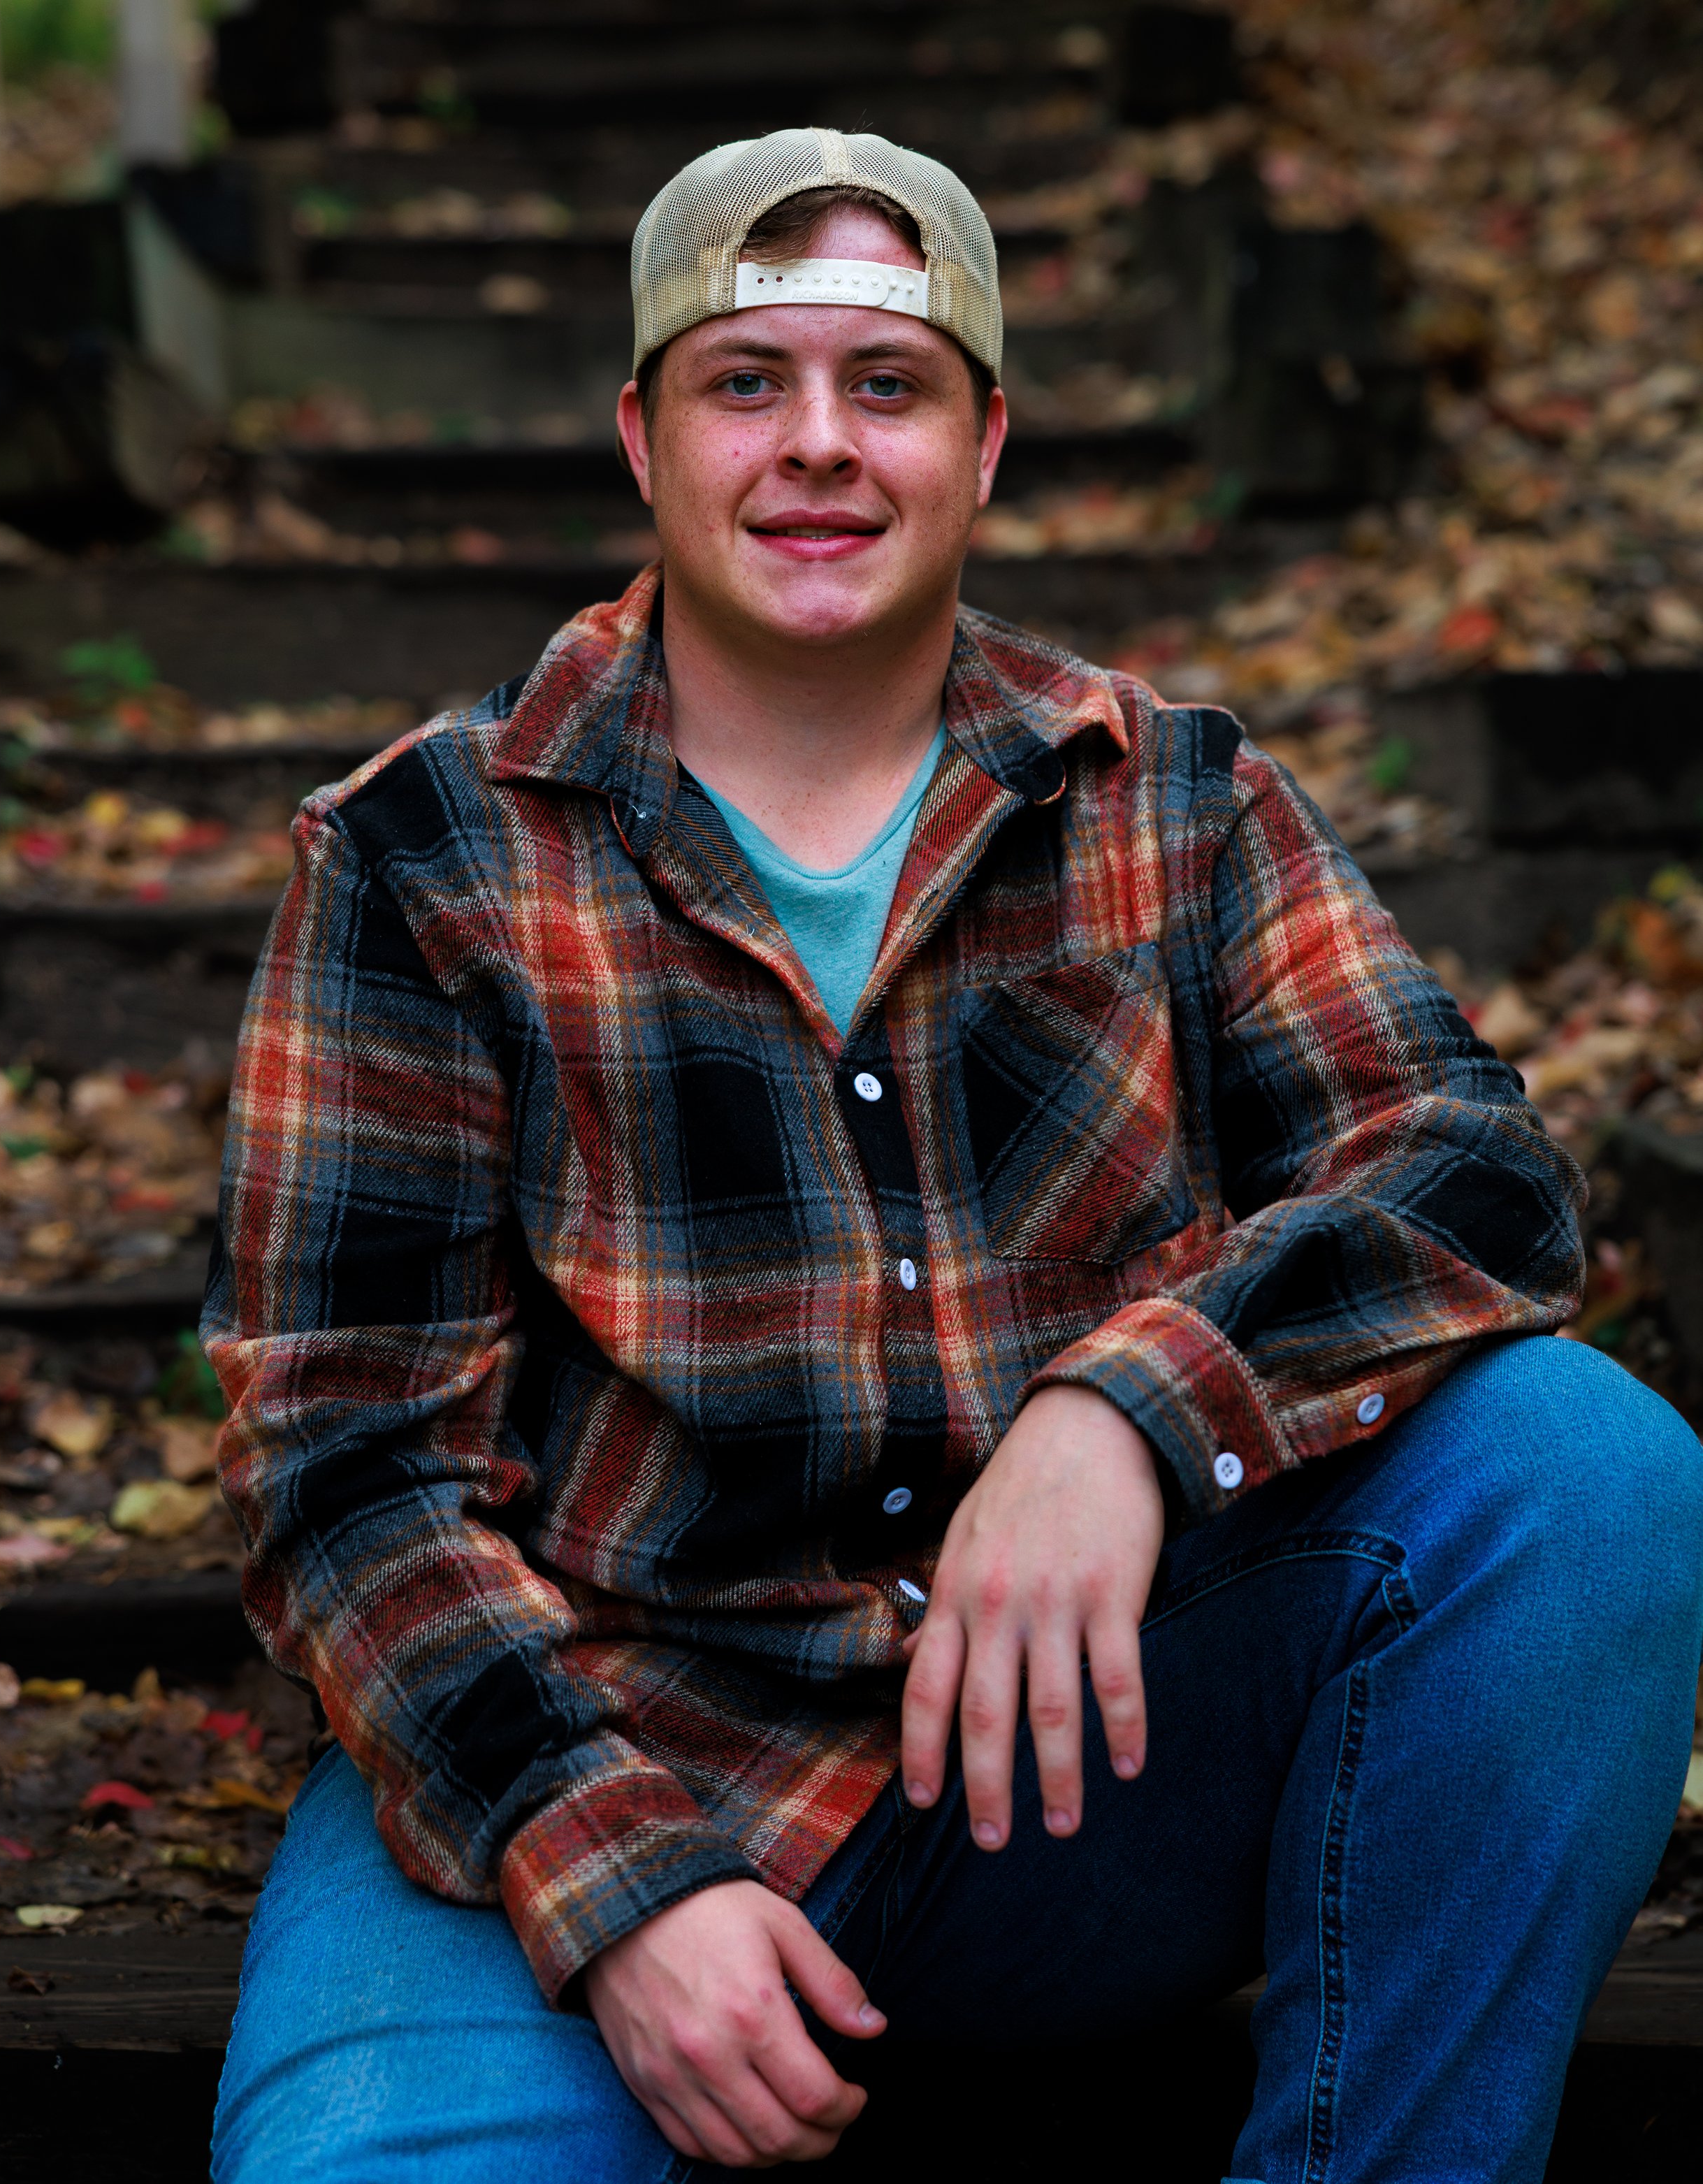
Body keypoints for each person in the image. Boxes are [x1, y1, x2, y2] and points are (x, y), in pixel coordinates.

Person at [203, 129, 1703, 2184]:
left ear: (981, 445)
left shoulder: (1167, 798)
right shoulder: (422, 856)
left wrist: (1132, 1408)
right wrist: (614, 1876)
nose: (817, 444)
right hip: (598, 1757)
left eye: (885, 388)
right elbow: (339, 1460)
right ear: (643, 436)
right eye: (751, 383)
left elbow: (1472, 1174)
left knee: (1584, 1475)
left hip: (1084, 1761)